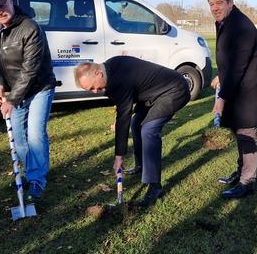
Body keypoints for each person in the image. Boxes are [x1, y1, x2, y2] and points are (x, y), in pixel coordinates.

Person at [74, 56, 190, 207]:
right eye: (91, 90)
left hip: (174, 89)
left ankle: (155, 187)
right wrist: (121, 116)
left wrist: (119, 157)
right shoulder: (111, 68)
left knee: (149, 130)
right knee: (136, 123)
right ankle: (141, 165)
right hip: (153, 94)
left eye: (93, 87)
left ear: (98, 74)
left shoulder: (118, 78)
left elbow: (124, 114)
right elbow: (126, 104)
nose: (95, 91)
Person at [0, 0, 56, 200]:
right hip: (13, 92)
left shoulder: (30, 28)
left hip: (39, 87)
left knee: (35, 134)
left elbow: (30, 70)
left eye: (2, 5)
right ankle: (32, 171)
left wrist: (12, 100)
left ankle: (37, 179)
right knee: (19, 138)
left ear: (10, 2)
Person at [206, 0, 257, 199]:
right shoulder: (225, 21)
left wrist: (221, 98)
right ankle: (241, 171)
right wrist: (220, 76)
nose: (214, 8)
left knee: (246, 134)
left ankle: (247, 182)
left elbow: (238, 66)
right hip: (237, 86)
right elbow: (229, 60)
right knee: (237, 130)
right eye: (211, 4)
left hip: (249, 92)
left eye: (219, 3)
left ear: (230, 2)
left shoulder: (241, 27)